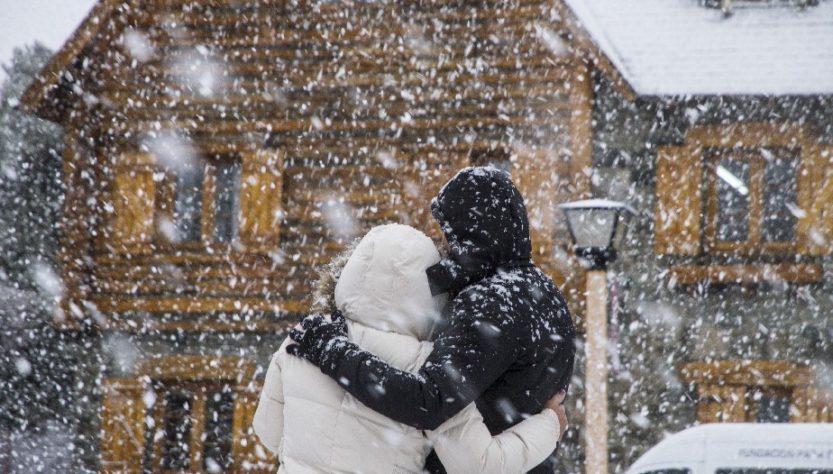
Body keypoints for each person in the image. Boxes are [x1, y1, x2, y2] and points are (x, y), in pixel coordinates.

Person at [288, 167, 576, 473]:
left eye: (448, 233)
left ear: (470, 232)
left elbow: (429, 401)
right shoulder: (543, 292)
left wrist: (332, 351)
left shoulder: (491, 301)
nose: (445, 247)